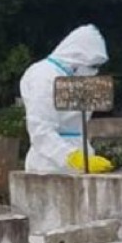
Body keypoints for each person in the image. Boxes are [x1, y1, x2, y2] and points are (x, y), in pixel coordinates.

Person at [20, 24, 114, 174]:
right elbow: (40, 130)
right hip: (48, 166)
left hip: (81, 160)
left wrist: (85, 157)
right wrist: (71, 157)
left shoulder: (76, 77)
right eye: (92, 66)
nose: (95, 71)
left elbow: (79, 125)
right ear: (76, 58)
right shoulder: (43, 75)